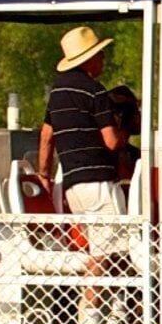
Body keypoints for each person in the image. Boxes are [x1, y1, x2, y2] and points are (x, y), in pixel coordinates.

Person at [40, 25, 128, 219]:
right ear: (90, 59)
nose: (103, 57)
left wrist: (44, 175)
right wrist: (124, 133)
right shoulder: (95, 91)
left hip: (73, 186)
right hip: (98, 183)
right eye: (100, 53)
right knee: (113, 247)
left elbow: (46, 136)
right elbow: (111, 141)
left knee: (96, 244)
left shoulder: (56, 93)